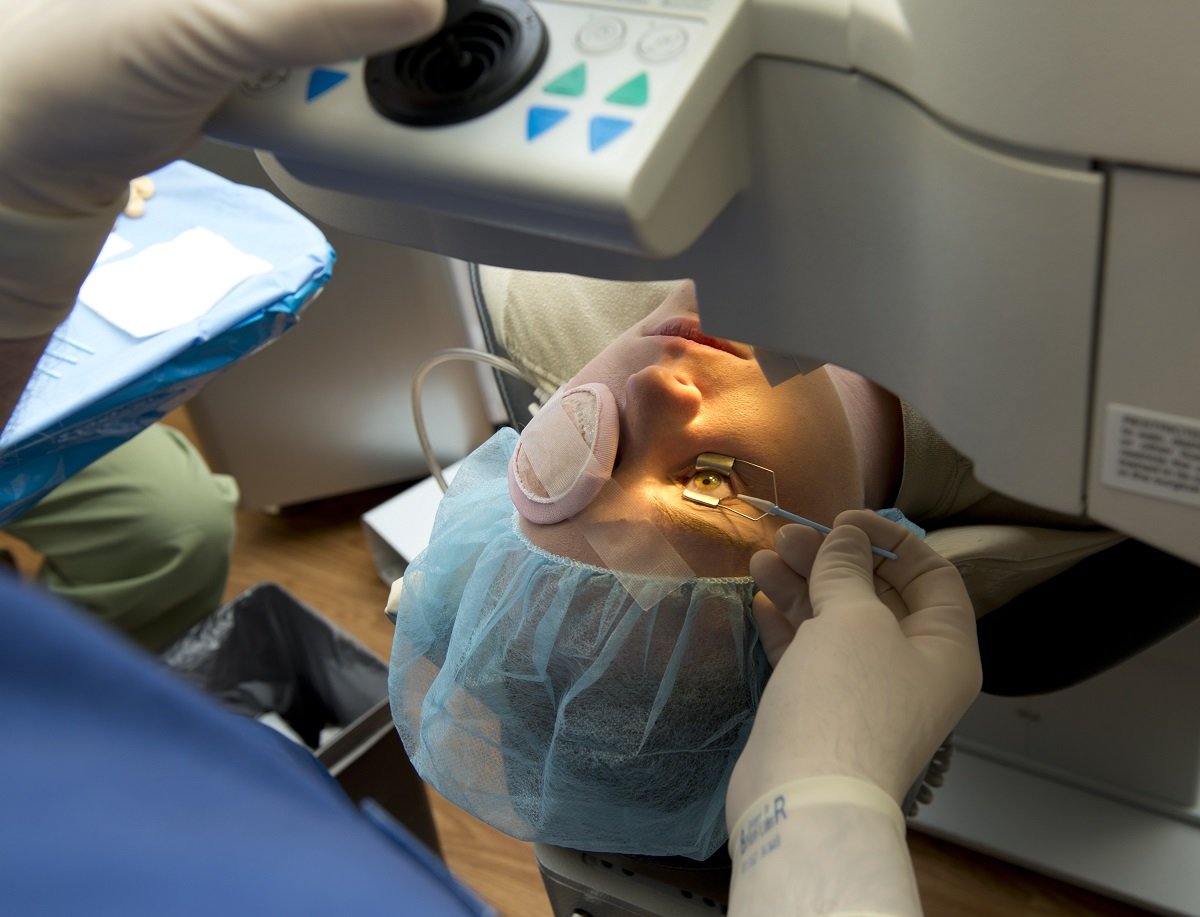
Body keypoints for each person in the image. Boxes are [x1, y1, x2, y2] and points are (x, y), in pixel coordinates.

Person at [387, 272, 1117, 859]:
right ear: (838, 585)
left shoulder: (551, 290)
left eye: (578, 446)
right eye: (710, 482)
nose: (654, 388)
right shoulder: (1076, 447)